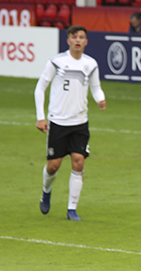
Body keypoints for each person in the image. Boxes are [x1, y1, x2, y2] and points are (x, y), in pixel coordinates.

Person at [34, 25, 106, 221]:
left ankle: (72, 209)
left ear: (86, 41)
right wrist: (41, 117)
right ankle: (46, 190)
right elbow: (40, 89)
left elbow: (95, 87)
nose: (77, 40)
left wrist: (100, 98)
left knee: (79, 162)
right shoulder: (57, 62)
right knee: (53, 166)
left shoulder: (90, 64)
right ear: (68, 41)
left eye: (81, 37)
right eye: (74, 37)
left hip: (80, 122)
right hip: (58, 122)